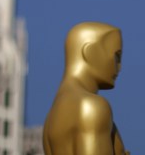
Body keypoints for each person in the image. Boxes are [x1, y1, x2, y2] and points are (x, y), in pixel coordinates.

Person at [43, 22, 129, 155]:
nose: (119, 67)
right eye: (117, 56)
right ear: (90, 52)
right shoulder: (91, 107)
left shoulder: (51, 118)